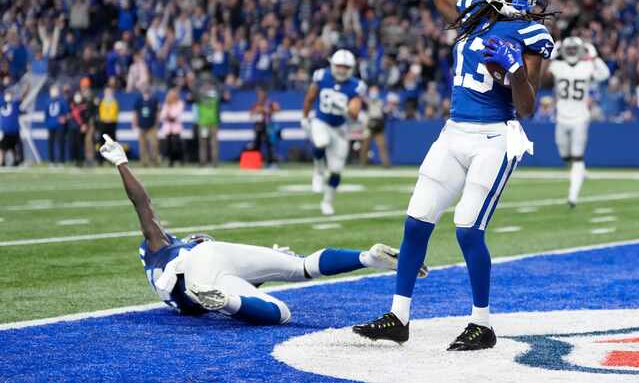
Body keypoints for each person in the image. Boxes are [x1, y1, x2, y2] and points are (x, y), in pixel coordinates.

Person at [353, 0, 555, 351]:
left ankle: (482, 323)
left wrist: (515, 74)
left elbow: (526, 109)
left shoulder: (533, 36)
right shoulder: (470, 11)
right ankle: (398, 316)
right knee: (416, 219)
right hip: (453, 132)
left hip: (496, 138)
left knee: (467, 227)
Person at [97, 134, 427, 325]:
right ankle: (366, 257)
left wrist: (262, 270)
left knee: (278, 312)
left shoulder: (160, 274)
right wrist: (121, 163)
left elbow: (241, 281)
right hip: (204, 262)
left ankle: (226, 302)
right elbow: (142, 204)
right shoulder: (162, 247)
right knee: (299, 268)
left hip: (197, 287)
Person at [301, 49, 366, 215]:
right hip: (321, 121)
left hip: (340, 128)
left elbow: (355, 112)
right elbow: (310, 97)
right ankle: (318, 172)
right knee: (321, 142)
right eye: (339, 66)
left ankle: (327, 201)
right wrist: (304, 116)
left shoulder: (356, 85)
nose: (342, 70)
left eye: (345, 67)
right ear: (332, 65)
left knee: (336, 169)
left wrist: (345, 108)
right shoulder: (322, 76)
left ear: (351, 68)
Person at [548, 37, 610, 207]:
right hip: (561, 117)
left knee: (577, 158)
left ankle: (572, 197)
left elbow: (605, 74)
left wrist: (595, 56)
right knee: (565, 156)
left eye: (575, 49)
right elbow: (543, 73)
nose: (572, 52)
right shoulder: (557, 66)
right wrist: (552, 53)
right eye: (570, 49)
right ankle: (580, 171)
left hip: (580, 118)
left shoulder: (586, 66)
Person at [196, 81, 227, 167]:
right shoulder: (214, 96)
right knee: (209, 143)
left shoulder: (202, 96)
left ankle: (207, 162)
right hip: (208, 122)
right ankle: (210, 162)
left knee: (207, 144)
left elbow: (195, 92)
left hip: (208, 122)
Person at [361, 85, 391, 167]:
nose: (374, 92)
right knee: (365, 145)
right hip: (369, 124)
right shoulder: (366, 101)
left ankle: (386, 163)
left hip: (378, 124)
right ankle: (363, 163)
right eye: (372, 90)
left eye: (375, 90)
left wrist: (389, 107)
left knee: (382, 145)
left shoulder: (381, 101)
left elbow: (386, 110)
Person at [250, 88, 280, 168]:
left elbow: (277, 108)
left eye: (261, 94)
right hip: (259, 127)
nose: (260, 96)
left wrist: (267, 110)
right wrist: (259, 110)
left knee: (269, 144)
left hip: (268, 126)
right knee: (257, 144)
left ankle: (271, 163)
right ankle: (255, 163)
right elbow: (252, 113)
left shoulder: (269, 103)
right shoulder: (256, 104)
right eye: (259, 95)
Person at [134, 86, 160, 167]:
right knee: (142, 145)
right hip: (141, 126)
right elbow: (135, 113)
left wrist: (156, 123)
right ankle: (144, 162)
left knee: (154, 144)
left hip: (151, 126)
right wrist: (135, 123)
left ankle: (155, 161)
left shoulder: (154, 100)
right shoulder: (139, 100)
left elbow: (157, 113)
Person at [159, 88, 185, 167]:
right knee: (168, 145)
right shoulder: (166, 104)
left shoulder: (180, 103)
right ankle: (171, 161)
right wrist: (167, 116)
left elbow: (177, 113)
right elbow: (162, 115)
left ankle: (180, 160)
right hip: (168, 128)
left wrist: (170, 117)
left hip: (176, 127)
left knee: (176, 145)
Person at [45, 85, 69, 165]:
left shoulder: (62, 101)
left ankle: (61, 161)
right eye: (52, 91)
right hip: (51, 125)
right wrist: (47, 124)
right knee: (50, 144)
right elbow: (46, 114)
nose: (54, 93)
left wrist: (64, 118)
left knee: (61, 143)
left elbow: (66, 113)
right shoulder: (48, 101)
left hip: (59, 126)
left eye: (55, 91)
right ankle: (51, 161)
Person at [0, 89, 24, 166]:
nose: (9, 96)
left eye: (10, 94)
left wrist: (26, 89)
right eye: (7, 94)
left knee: (14, 147)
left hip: (15, 130)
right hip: (5, 130)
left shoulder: (15, 104)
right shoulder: (2, 103)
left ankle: (16, 161)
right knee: (3, 148)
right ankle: (2, 162)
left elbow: (21, 99)